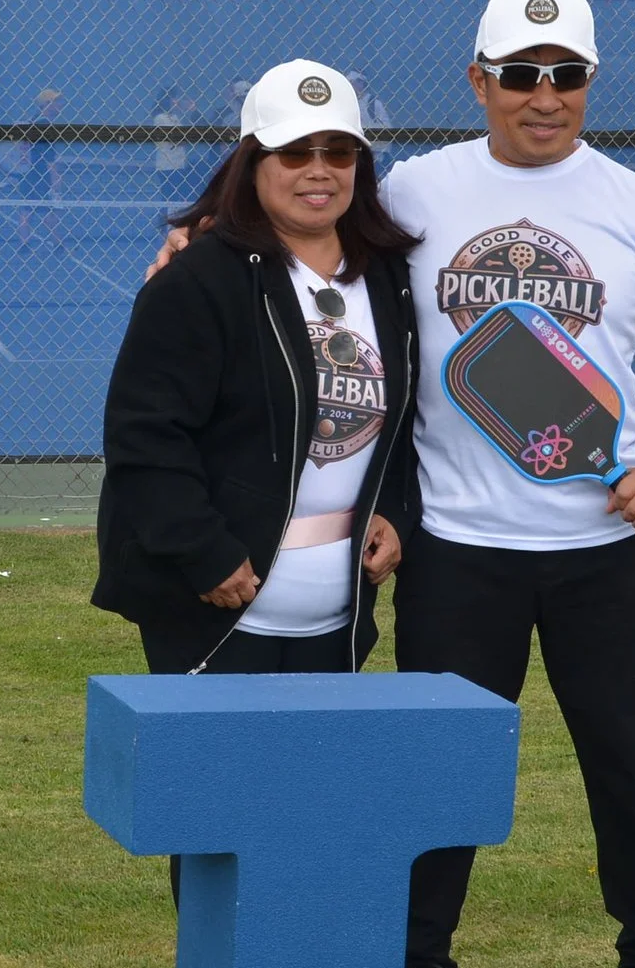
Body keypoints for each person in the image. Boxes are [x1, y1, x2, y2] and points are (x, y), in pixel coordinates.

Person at [147, 0, 635, 968]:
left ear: (589, 81)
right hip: (454, 552)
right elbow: (295, 224)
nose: (544, 95)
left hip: (605, 556)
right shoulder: (418, 190)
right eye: (521, 74)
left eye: (566, 75)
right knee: (435, 774)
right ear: (478, 80)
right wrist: (202, 234)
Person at [95, 60, 421, 680]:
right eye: (294, 152)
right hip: (216, 616)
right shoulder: (197, 280)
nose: (319, 170)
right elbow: (144, 434)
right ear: (253, 162)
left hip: (339, 622)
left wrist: (395, 511)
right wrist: (201, 551)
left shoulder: (392, 277)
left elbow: (408, 419)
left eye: (339, 151)